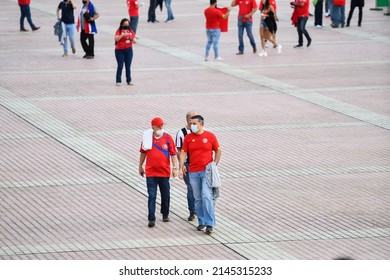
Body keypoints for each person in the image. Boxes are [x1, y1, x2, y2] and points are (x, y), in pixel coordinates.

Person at [179, 115, 222, 235]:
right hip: (193, 172)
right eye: (190, 123)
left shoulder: (210, 136)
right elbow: (183, 153)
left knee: (207, 196)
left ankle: (210, 223)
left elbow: (218, 150)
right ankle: (201, 221)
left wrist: (214, 163)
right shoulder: (188, 138)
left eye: (194, 123)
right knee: (197, 198)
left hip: (206, 172)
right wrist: (181, 166)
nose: (191, 125)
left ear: (201, 124)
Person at [139, 117, 179, 228]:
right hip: (151, 173)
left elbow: (173, 154)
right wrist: (140, 166)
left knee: (165, 195)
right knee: (152, 196)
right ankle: (151, 218)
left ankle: (165, 213)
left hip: (164, 172)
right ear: (153, 127)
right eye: (159, 126)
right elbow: (143, 152)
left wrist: (175, 168)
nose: (162, 127)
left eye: (162, 125)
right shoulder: (147, 137)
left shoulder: (167, 138)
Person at [175, 111, 198, 221]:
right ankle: (192, 210)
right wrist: (182, 165)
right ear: (189, 121)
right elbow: (179, 151)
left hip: (199, 164)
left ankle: (199, 209)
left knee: (200, 188)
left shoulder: (202, 131)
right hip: (188, 164)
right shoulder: (181, 133)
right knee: (191, 187)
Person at [115, 18, 136, 86]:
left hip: (129, 50)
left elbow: (135, 41)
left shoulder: (131, 31)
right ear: (122, 24)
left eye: (127, 24)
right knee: (120, 65)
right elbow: (116, 38)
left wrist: (132, 39)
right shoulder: (119, 31)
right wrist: (123, 35)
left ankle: (129, 80)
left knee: (128, 65)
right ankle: (118, 80)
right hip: (119, 50)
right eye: (124, 24)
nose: (126, 25)